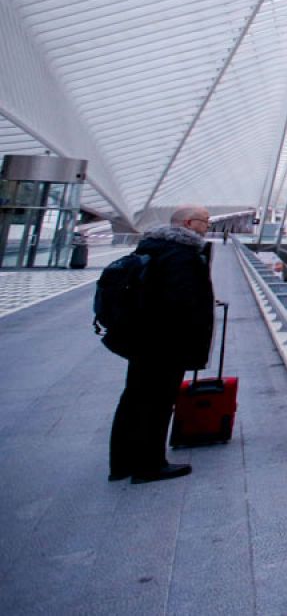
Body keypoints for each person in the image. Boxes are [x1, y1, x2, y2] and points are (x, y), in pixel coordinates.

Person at [108, 206, 216, 484]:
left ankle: (121, 463)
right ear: (189, 223)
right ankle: (150, 465)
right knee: (157, 402)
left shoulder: (155, 247)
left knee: (133, 398)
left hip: (142, 338)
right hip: (166, 342)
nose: (208, 226)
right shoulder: (181, 255)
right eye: (205, 222)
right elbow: (179, 301)